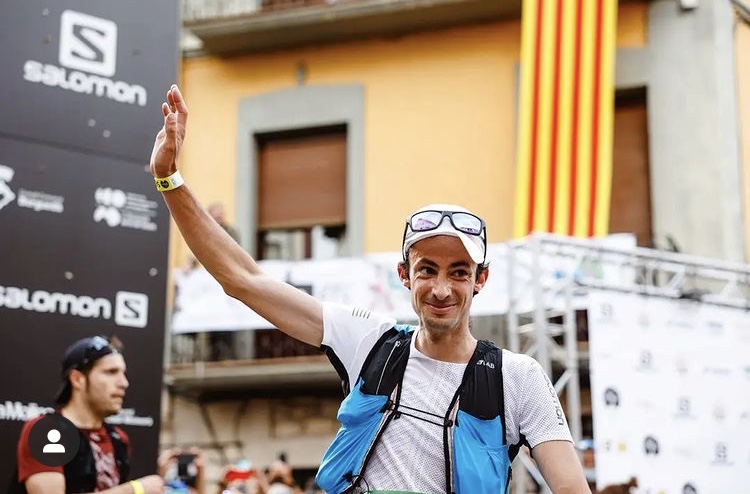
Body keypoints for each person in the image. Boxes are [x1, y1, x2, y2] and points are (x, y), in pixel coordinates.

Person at [149, 84, 591, 493]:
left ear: (481, 280)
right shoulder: (370, 340)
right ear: (404, 274)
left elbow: (572, 489)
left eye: (459, 272)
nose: (441, 289)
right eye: (427, 270)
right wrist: (169, 179)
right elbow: (243, 279)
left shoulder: (517, 377)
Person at [10, 335, 164, 493]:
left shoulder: (118, 438)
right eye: (111, 372)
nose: (124, 383)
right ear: (77, 379)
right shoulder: (49, 431)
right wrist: (135, 489)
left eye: (123, 373)